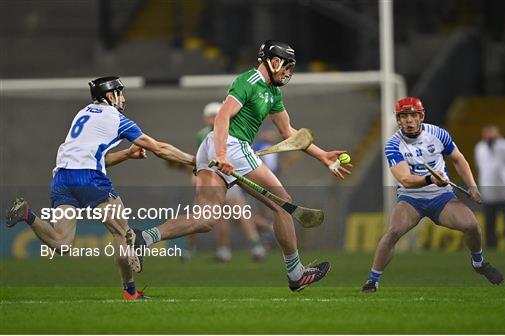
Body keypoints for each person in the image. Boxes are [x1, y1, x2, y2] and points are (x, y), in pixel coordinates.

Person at [130, 40, 351, 292]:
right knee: (283, 203)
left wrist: (322, 155)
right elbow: (223, 116)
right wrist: (223, 154)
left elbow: (288, 132)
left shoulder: (274, 93)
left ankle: (143, 238)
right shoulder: (248, 81)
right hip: (231, 146)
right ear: (273, 61)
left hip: (214, 149)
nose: (288, 72)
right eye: (286, 66)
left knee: (205, 219)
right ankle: (296, 273)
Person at [5, 76, 195, 300]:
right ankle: (130, 293)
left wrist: (126, 153)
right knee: (124, 236)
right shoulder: (116, 117)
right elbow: (159, 148)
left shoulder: (83, 112)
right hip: (90, 179)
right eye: (120, 93)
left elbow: (95, 157)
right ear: (109, 95)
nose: (123, 98)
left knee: (62, 243)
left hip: (62, 178)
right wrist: (193, 161)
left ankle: (28, 214)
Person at [361, 97, 504, 293]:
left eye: (413, 115)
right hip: (411, 199)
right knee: (393, 232)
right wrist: (430, 179)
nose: (409, 120)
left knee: (472, 225)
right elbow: (406, 180)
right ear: (398, 120)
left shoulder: (437, 133)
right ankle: (372, 280)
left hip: (441, 197)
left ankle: (478, 263)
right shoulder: (393, 144)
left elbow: (458, 159)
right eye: (404, 116)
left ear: (421, 116)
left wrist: (472, 186)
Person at [182, 101, 266, 262]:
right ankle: (214, 250)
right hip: (212, 180)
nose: (213, 118)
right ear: (205, 118)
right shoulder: (202, 135)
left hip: (229, 177)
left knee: (240, 211)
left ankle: (256, 247)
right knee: (208, 216)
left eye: (216, 115)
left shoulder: (233, 131)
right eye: (210, 116)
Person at [474, 124, 505, 249]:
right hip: (488, 191)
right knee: (490, 222)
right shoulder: (480, 148)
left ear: (497, 133)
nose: (489, 136)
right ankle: (491, 246)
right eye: (487, 133)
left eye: (491, 133)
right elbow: (481, 167)